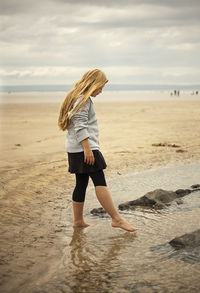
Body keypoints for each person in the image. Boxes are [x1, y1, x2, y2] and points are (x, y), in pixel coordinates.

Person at [58, 69, 137, 232]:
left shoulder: (75, 97)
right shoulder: (83, 100)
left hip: (74, 148)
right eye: (100, 87)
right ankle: (117, 219)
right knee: (99, 180)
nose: (101, 91)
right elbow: (80, 124)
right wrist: (88, 149)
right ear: (92, 84)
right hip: (84, 148)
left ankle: (78, 221)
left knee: (81, 183)